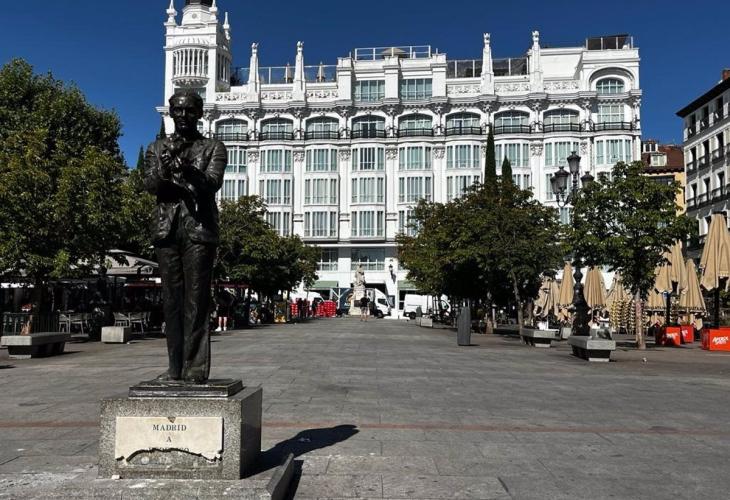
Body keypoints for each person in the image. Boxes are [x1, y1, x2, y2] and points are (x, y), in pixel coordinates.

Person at [143, 89, 226, 384]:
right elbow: (151, 185)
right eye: (177, 110)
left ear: (199, 113)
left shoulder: (213, 147)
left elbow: (211, 183)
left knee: (196, 300)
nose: (183, 115)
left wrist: (187, 170)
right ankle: (174, 368)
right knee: (171, 301)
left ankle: (195, 368)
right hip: (167, 229)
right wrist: (166, 173)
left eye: (190, 110)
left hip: (199, 230)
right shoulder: (157, 148)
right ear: (171, 113)